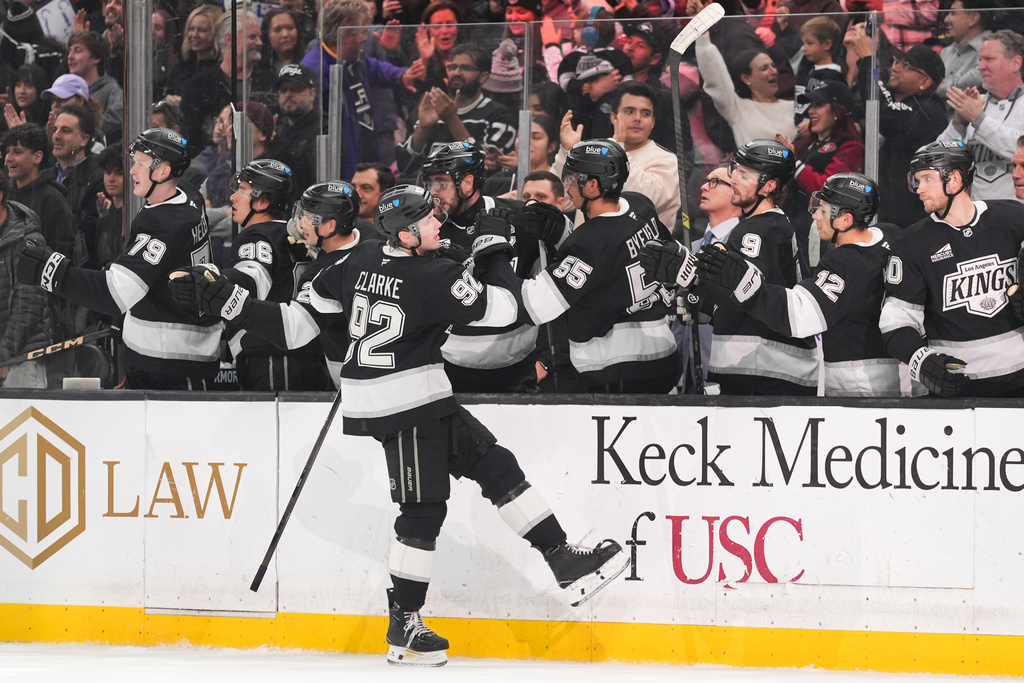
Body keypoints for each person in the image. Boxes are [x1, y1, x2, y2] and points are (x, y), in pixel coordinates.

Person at [183, 183, 628, 666]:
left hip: (417, 397)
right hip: (404, 404)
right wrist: (495, 252)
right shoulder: (433, 274)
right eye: (431, 219)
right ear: (410, 233)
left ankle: (560, 557)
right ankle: (406, 624)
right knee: (422, 513)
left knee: (496, 466)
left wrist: (232, 302)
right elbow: (507, 310)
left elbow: (293, 327)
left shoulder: (357, 259)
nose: (440, 223)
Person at [15, 128, 222, 390]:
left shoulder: (165, 224)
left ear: (163, 171)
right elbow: (161, 274)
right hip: (175, 351)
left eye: (140, 163)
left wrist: (51, 270)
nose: (132, 170)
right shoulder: (187, 196)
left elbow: (114, 293)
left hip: (171, 361)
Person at [698, 172, 901, 397]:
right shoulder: (889, 235)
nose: (815, 216)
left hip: (860, 388)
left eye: (823, 210)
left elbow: (799, 316)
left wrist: (744, 283)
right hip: (901, 378)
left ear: (845, 220)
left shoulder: (843, 262)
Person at [642, 139, 818, 396]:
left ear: (768, 186)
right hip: (771, 372)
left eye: (744, 175)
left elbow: (743, 288)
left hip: (762, 371)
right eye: (736, 171)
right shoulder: (776, 225)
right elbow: (756, 300)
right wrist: (705, 305)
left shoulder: (755, 231)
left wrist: (689, 274)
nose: (734, 179)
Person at [171, 180, 366, 389]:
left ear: (331, 226)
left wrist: (232, 301)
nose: (301, 224)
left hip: (356, 387)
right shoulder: (370, 246)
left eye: (311, 218)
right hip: (372, 378)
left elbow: (293, 327)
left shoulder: (325, 272)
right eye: (302, 214)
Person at [521, 139, 680, 393]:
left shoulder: (589, 243)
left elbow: (537, 304)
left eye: (572, 177)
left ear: (593, 186)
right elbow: (615, 261)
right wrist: (564, 233)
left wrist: (494, 258)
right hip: (664, 355)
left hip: (616, 371)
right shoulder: (641, 205)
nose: (567, 184)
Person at [880, 140, 1024, 397]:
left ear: (955, 180)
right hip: (956, 384)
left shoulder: (1014, 220)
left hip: (1019, 379)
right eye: (917, 180)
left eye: (926, 179)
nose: (919, 189)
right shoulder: (910, 244)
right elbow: (896, 321)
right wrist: (920, 360)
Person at [422, 141, 543, 392]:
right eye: (430, 182)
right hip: (449, 370)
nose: (433, 191)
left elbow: (549, 289)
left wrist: (550, 359)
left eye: (442, 183)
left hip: (517, 368)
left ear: (467, 183)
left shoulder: (519, 217)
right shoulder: (427, 229)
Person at [218, 160, 330, 391]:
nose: (233, 198)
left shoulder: (256, 236)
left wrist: (218, 281)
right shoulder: (303, 234)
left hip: (272, 357)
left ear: (262, 202)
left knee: (270, 426)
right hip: (308, 355)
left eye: (242, 191)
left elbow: (252, 278)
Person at [300, 0, 424, 178]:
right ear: (346, 33)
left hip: (367, 153)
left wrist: (401, 75)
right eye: (363, 31)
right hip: (342, 169)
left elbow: (376, 68)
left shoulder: (352, 58)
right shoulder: (315, 69)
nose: (366, 38)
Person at [850, 30, 948, 227]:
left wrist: (868, 60)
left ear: (925, 82)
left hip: (913, 221)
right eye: (898, 62)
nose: (897, 68)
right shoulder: (906, 104)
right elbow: (878, 90)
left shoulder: (929, 110)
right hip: (890, 215)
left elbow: (882, 112)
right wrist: (872, 66)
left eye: (907, 66)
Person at [554, 82, 681, 230]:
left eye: (645, 113)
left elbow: (644, 201)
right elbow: (563, 200)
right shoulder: (594, 152)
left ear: (652, 122)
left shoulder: (667, 160)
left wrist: (618, 147)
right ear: (613, 117)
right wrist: (568, 152)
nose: (638, 118)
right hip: (586, 249)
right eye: (629, 111)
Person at [778, 80, 864, 269]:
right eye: (810, 105)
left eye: (819, 105)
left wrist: (794, 162)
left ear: (836, 112)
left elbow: (827, 187)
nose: (811, 111)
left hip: (819, 231)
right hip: (790, 225)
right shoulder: (805, 142)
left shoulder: (850, 146)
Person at [399, 44, 517, 181]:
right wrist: (423, 127)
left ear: (483, 77)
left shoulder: (500, 115)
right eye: (453, 67)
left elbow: (486, 167)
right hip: (429, 194)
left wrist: (451, 119)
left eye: (466, 68)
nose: (456, 73)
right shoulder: (433, 110)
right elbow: (404, 166)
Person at [940, 30, 1024, 201]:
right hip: (977, 218)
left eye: (989, 59)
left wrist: (979, 119)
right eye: (980, 60)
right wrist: (958, 123)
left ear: (1015, 63)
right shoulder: (976, 104)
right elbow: (940, 158)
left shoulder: (976, 111)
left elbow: (1019, 149)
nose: (980, 66)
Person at [181, 9, 270, 155]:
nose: (259, 42)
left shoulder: (270, 82)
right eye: (253, 37)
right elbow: (191, 140)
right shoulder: (197, 86)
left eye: (259, 37)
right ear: (230, 39)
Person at [695, 26, 797, 149]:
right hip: (753, 168)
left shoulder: (794, 107)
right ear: (746, 79)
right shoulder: (738, 109)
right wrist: (703, 37)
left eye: (773, 65)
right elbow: (715, 78)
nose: (774, 71)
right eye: (764, 68)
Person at [0, 168, 53, 388]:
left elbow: (28, 307)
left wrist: (4, 356)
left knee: (26, 423)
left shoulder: (28, 239)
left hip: (21, 359)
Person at [2, 122, 74, 258]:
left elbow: (62, 251)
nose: (8, 158)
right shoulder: (6, 195)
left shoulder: (53, 198)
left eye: (17, 152)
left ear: (37, 157)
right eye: (7, 151)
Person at [266, 64, 320, 201]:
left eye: (296, 89)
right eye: (283, 90)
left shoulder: (324, 128)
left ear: (312, 94)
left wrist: (276, 140)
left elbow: (309, 175)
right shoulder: (279, 127)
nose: (288, 95)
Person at [66, 29, 122, 145]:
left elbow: (118, 117)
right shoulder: (68, 92)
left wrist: (80, 128)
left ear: (96, 58)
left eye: (77, 50)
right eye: (70, 51)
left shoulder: (111, 89)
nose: (70, 57)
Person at [938, 0, 993, 100]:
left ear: (973, 18)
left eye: (953, 13)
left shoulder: (994, 50)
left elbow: (972, 81)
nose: (946, 19)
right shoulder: (946, 52)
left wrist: (934, 87)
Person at [165, 4, 223, 97]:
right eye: (191, 29)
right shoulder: (181, 67)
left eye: (202, 30)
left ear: (216, 33)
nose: (194, 35)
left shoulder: (221, 70)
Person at [351, 161, 395, 236]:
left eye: (366, 188)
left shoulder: (399, 233)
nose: (356, 194)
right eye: (353, 187)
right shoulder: (336, 231)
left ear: (386, 194)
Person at [3, 64, 49, 129]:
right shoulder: (5, 118)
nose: (22, 91)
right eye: (18, 85)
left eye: (29, 86)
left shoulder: (47, 121)